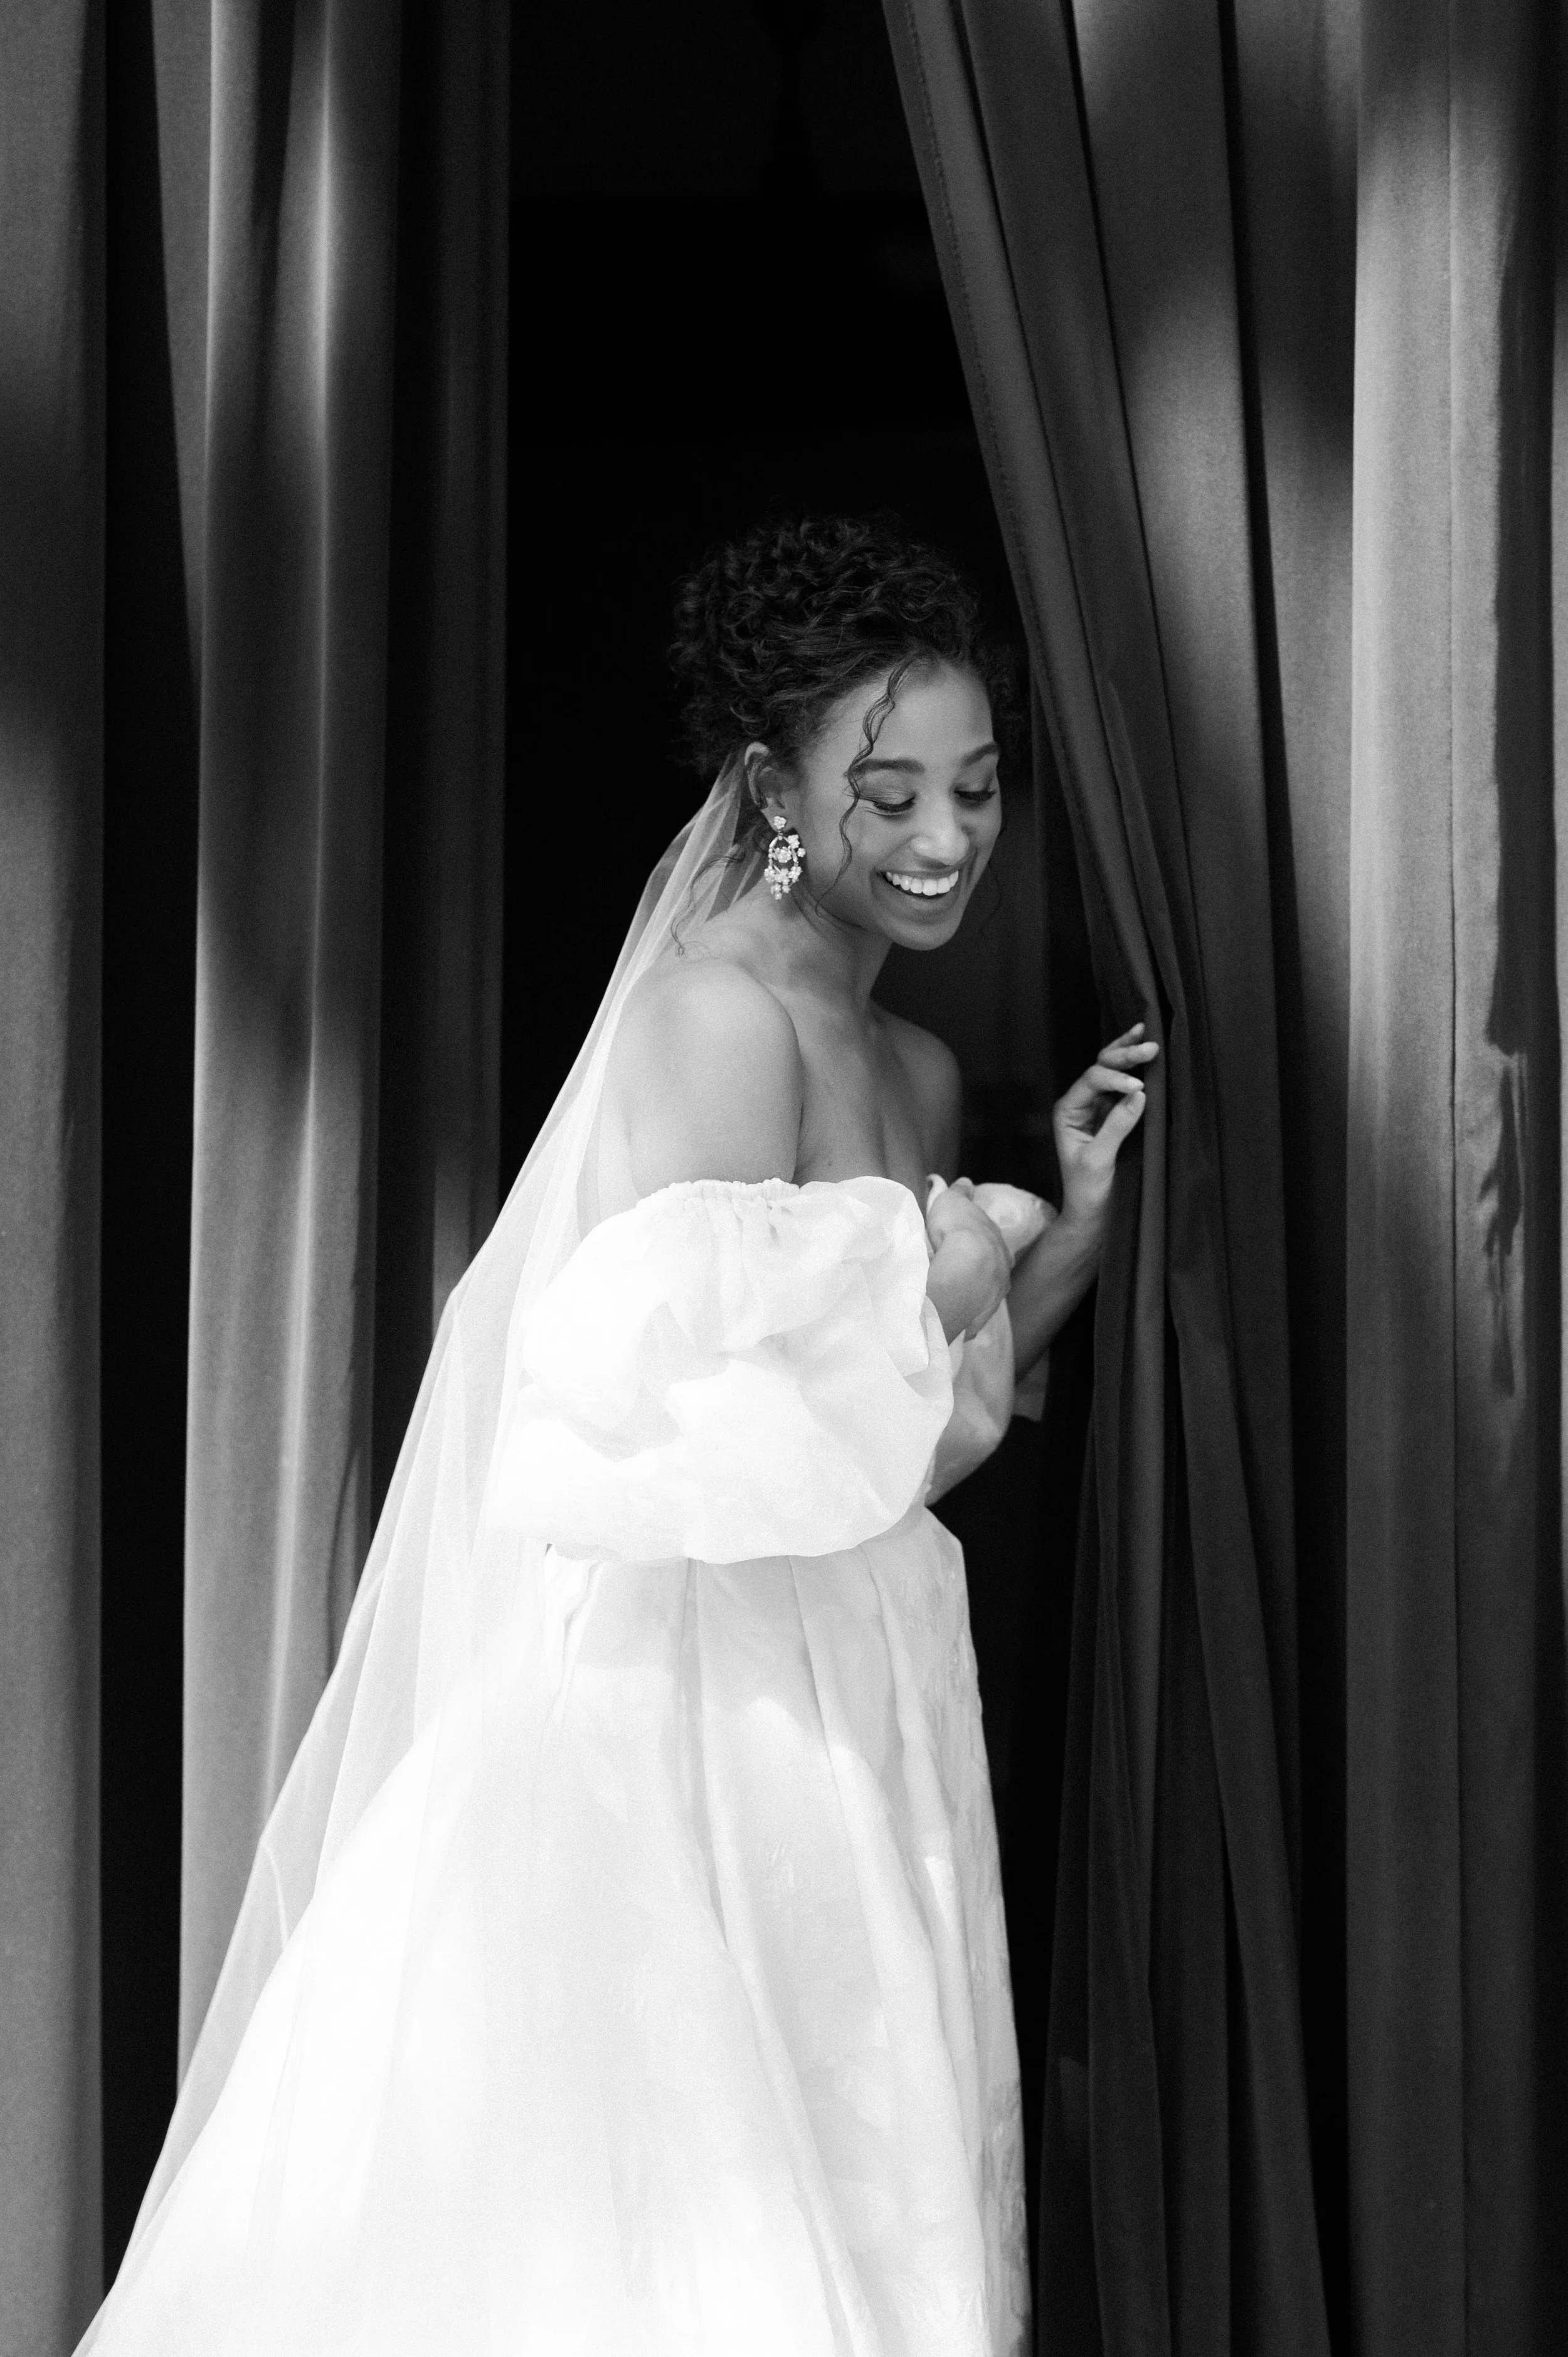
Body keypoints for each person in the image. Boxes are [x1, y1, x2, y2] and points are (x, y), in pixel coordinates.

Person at [80, 517, 1155, 2356]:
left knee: (862, 2177)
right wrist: (932, 1246)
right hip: (687, 1707)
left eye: (973, 787)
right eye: (887, 791)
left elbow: (896, 1437)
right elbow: (652, 1432)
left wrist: (1052, 1238)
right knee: (676, 2229)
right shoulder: (712, 1016)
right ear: (777, 790)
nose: (947, 837)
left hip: (860, 1677)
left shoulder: (903, 1064)